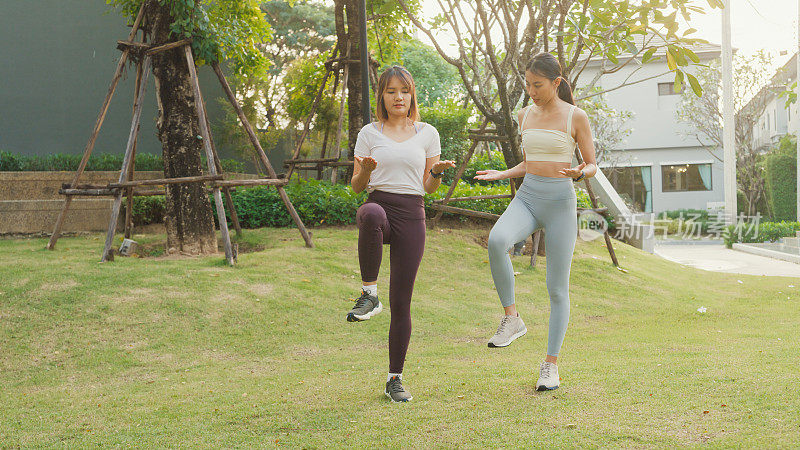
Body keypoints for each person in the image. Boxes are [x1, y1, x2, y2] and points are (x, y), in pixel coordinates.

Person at [475, 52, 598, 391]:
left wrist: (579, 172)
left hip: (560, 203)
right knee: (498, 241)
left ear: (556, 83)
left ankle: (550, 365)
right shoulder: (524, 114)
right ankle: (512, 318)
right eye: (527, 84)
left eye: (538, 85)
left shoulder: (576, 116)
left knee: (556, 289)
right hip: (528, 197)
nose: (531, 91)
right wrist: (503, 172)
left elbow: (592, 163)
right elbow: (529, 163)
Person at [346, 65, 455, 402]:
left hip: (412, 214)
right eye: (391, 91)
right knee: (369, 212)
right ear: (382, 95)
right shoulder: (369, 133)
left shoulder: (427, 132)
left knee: (402, 303)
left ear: (412, 96)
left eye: (404, 91)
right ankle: (369, 293)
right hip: (380, 205)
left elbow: (428, 187)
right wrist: (364, 171)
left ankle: (395, 378)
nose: (398, 97)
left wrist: (435, 172)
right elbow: (356, 188)